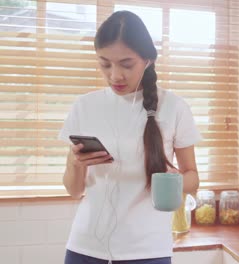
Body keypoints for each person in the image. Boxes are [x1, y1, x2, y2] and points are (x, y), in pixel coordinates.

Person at [59, 10, 201, 264]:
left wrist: (174, 179)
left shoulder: (174, 107)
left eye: (126, 64)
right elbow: (74, 190)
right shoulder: (84, 106)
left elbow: (193, 179)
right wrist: (74, 163)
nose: (115, 75)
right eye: (105, 64)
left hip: (147, 250)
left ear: (147, 60)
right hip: (85, 247)